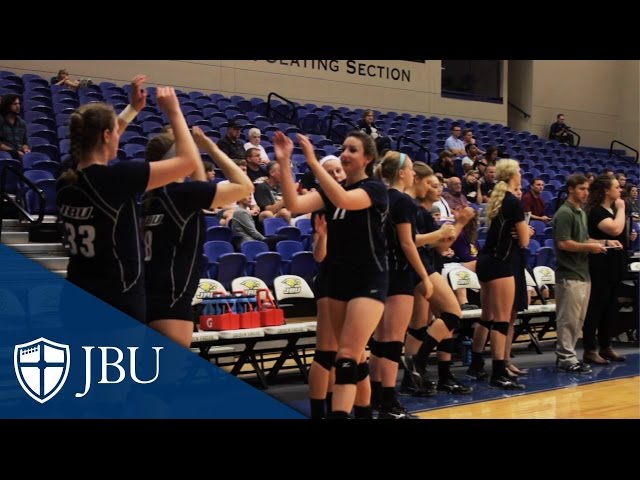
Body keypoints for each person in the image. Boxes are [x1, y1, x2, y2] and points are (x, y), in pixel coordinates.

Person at [56, 76, 200, 323]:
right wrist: (174, 111)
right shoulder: (117, 178)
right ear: (107, 135)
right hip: (115, 300)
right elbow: (188, 162)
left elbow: (95, 142)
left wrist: (133, 108)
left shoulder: (67, 177)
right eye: (115, 133)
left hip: (74, 297)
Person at [274, 129, 387, 419]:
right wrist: (285, 162)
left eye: (352, 150)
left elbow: (346, 201)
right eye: (343, 148)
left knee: (347, 358)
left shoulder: (374, 189)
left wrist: (313, 162)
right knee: (354, 359)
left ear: (368, 158)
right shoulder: (329, 193)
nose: (345, 154)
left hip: (368, 278)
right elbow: (294, 205)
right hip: (337, 279)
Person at [143, 126, 253, 347]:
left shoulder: (151, 198)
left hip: (147, 294)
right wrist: (209, 146)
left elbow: (200, 187)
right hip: (172, 300)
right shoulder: (181, 195)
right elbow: (245, 186)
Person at [401, 163, 475, 397]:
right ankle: (419, 364)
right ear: (418, 181)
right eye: (432, 185)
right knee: (452, 314)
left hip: (426, 266)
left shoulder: (420, 211)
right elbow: (428, 243)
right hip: (422, 268)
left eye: (439, 186)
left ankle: (414, 378)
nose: (438, 190)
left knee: (420, 326)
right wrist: (461, 223)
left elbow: (439, 246)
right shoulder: (415, 210)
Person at [370, 151, 431, 419]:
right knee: (393, 341)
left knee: (380, 341)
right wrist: (425, 276)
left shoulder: (379, 196)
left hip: (379, 272)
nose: (414, 175)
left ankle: (374, 396)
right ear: (402, 173)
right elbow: (407, 242)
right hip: (398, 273)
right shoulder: (403, 201)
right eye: (411, 170)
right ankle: (389, 402)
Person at [472, 159, 531, 389]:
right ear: (512, 175)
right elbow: (524, 241)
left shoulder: (497, 200)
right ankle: (498, 373)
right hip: (501, 263)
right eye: (519, 170)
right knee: (502, 321)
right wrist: (521, 232)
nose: (521, 173)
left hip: (485, 261)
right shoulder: (513, 202)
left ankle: (476, 364)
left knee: (486, 316)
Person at [552, 174, 607, 374]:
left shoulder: (581, 213)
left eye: (587, 189)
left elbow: (584, 238)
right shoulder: (565, 213)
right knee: (568, 319)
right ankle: (566, 357)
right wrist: (590, 248)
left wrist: (604, 242)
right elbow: (564, 243)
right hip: (569, 272)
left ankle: (569, 355)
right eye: (582, 189)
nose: (586, 193)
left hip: (583, 272)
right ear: (571, 189)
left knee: (578, 319)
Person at [307, 156, 348, 419]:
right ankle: (318, 413)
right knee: (326, 351)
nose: (336, 175)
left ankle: (337, 408)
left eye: (338, 170)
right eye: (330, 172)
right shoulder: (321, 206)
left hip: (353, 281)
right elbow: (319, 256)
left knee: (345, 352)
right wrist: (322, 238)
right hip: (330, 279)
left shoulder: (355, 200)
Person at [582, 175, 627, 364]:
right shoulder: (597, 211)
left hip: (615, 265)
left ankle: (606, 346)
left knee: (611, 307)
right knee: (596, 307)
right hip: (600, 265)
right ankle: (590, 349)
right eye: (616, 187)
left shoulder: (612, 209)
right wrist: (622, 209)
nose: (620, 190)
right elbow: (615, 229)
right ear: (607, 191)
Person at [0, 94, 30, 160]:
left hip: (19, 157)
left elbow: (24, 142)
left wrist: (25, 149)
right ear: (7, 106)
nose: (18, 106)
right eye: (14, 104)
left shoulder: (22, 122)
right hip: (4, 157)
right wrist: (14, 152)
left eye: (18, 104)